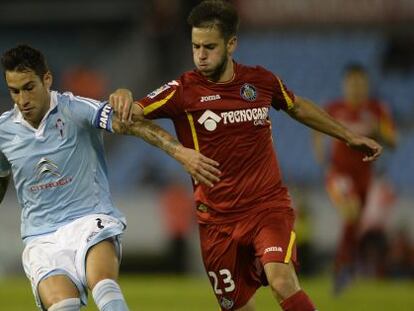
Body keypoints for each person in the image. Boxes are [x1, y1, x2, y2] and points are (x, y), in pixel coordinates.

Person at [117, 1, 382, 310]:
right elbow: (129, 116)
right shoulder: (182, 90)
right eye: (195, 46)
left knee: (282, 281)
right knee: (238, 307)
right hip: (216, 221)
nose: (200, 55)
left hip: (266, 206)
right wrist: (172, 146)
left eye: (209, 47)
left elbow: (296, 106)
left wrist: (348, 135)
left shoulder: (260, 81)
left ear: (231, 44)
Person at [0, 44, 220, 311]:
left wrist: (181, 153)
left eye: (29, 87)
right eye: (14, 91)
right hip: (41, 237)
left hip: (89, 221)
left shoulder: (75, 109)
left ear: (46, 79)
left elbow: (129, 123)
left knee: (103, 285)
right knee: (64, 305)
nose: (22, 99)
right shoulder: (4, 132)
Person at [313, 64, 397, 293]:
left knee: (354, 222)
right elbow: (317, 130)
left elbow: (393, 141)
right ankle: (341, 266)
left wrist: (379, 132)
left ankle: (345, 265)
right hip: (339, 173)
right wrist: (323, 160)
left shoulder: (377, 109)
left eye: (361, 83)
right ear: (345, 84)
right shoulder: (334, 107)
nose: (356, 88)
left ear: (367, 85)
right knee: (351, 211)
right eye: (352, 83)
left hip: (365, 174)